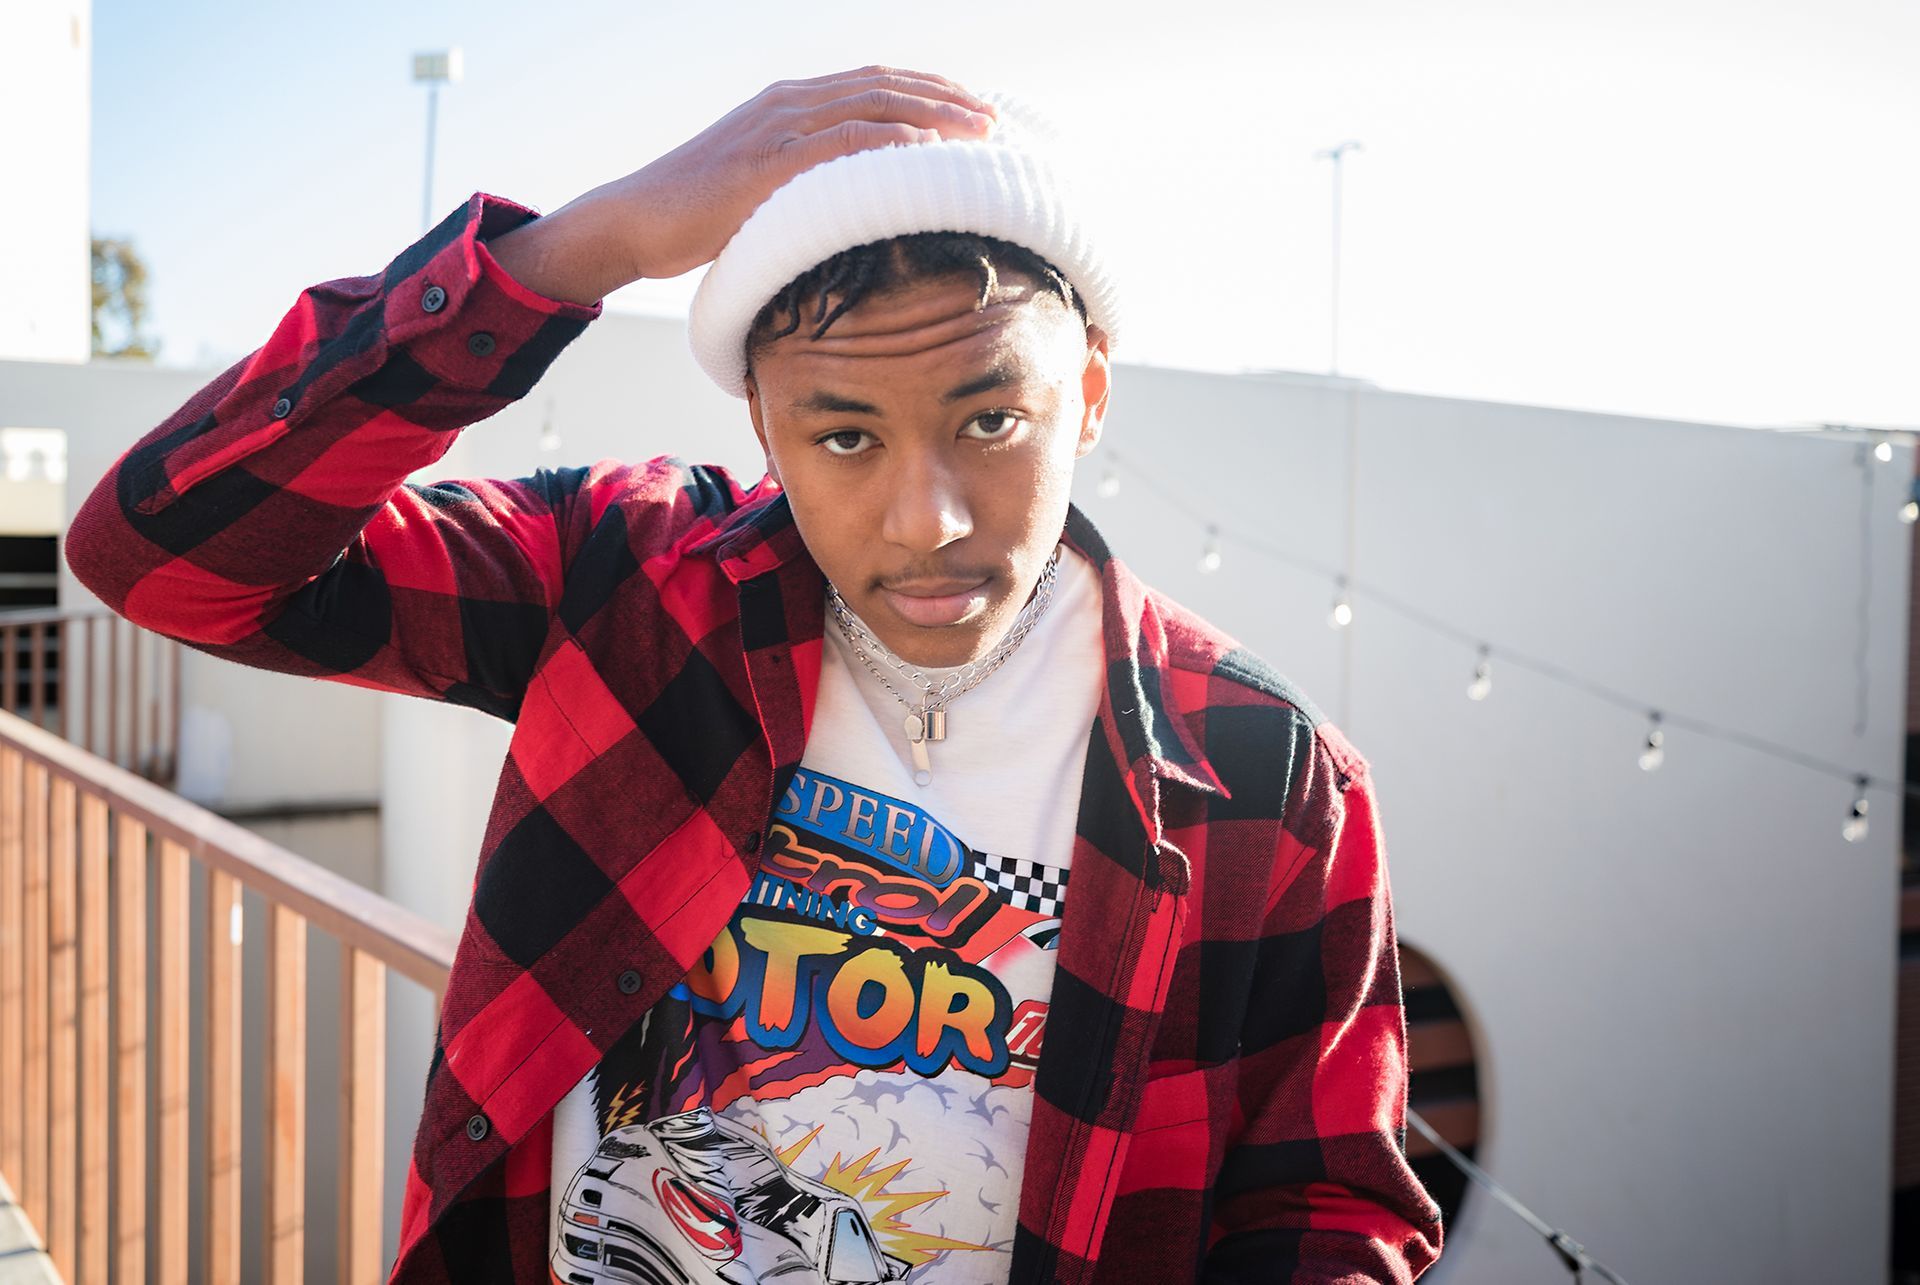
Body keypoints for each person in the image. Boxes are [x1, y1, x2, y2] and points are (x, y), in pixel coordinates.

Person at [67, 67, 1441, 1284]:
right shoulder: (628, 580)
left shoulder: (1265, 773)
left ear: (1088, 392)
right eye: (845, 437)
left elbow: (1327, 1210)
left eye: (993, 418)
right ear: (763, 425)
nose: (930, 519)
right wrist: (579, 247)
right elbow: (167, 556)